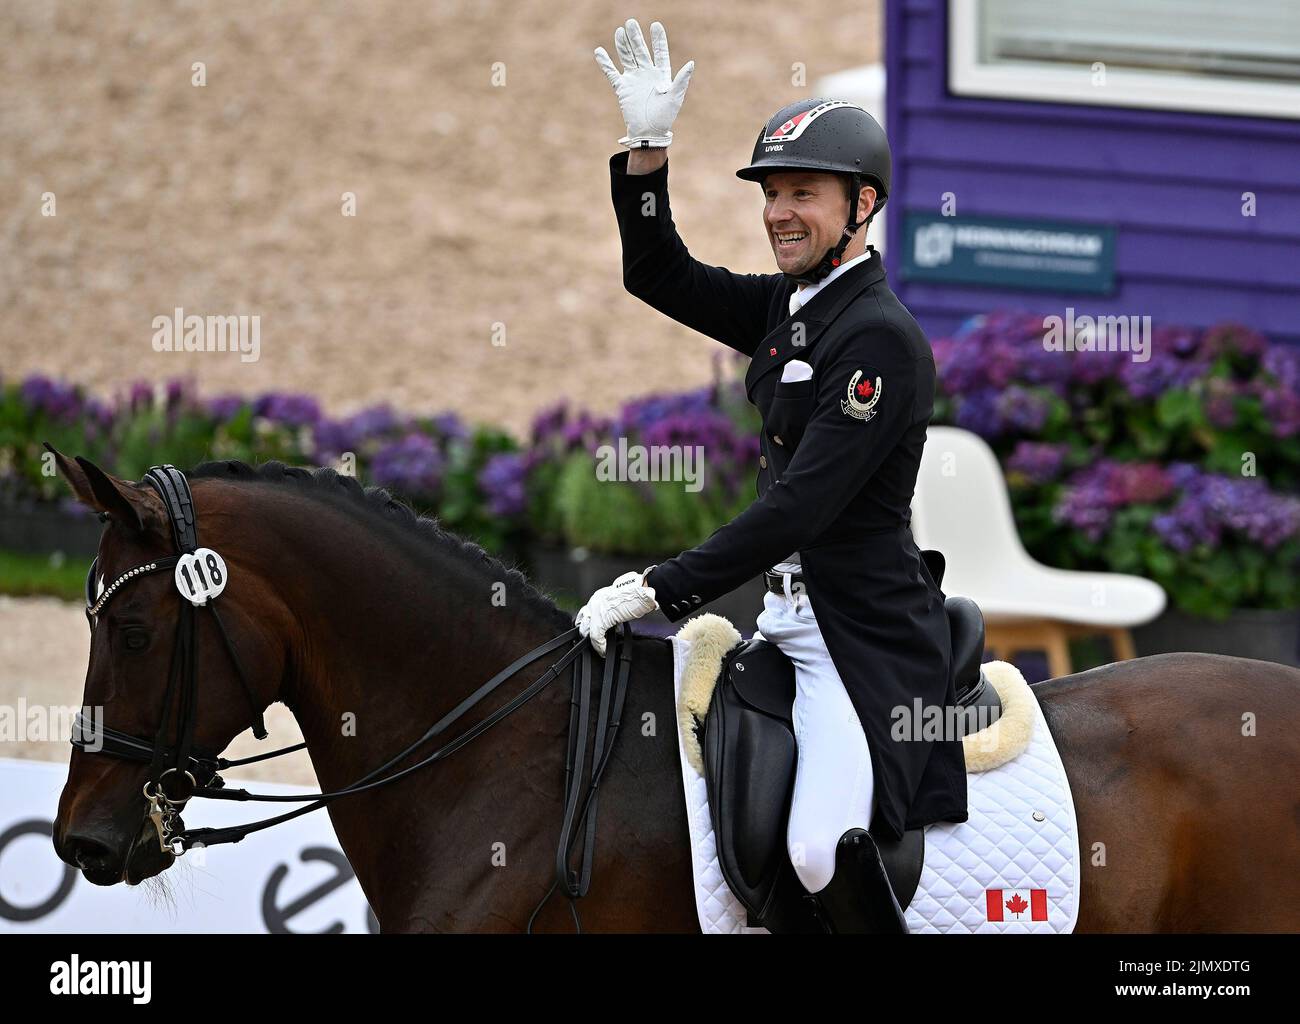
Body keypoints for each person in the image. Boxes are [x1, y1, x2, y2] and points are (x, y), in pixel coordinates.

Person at [577, 18, 968, 932]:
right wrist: (646, 152)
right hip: (785, 620)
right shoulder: (791, 310)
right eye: (771, 193)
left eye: (804, 194)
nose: (779, 211)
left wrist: (661, 586)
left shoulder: (878, 338)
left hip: (858, 636)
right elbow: (658, 273)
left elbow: (803, 505)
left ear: (861, 206)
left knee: (816, 846)